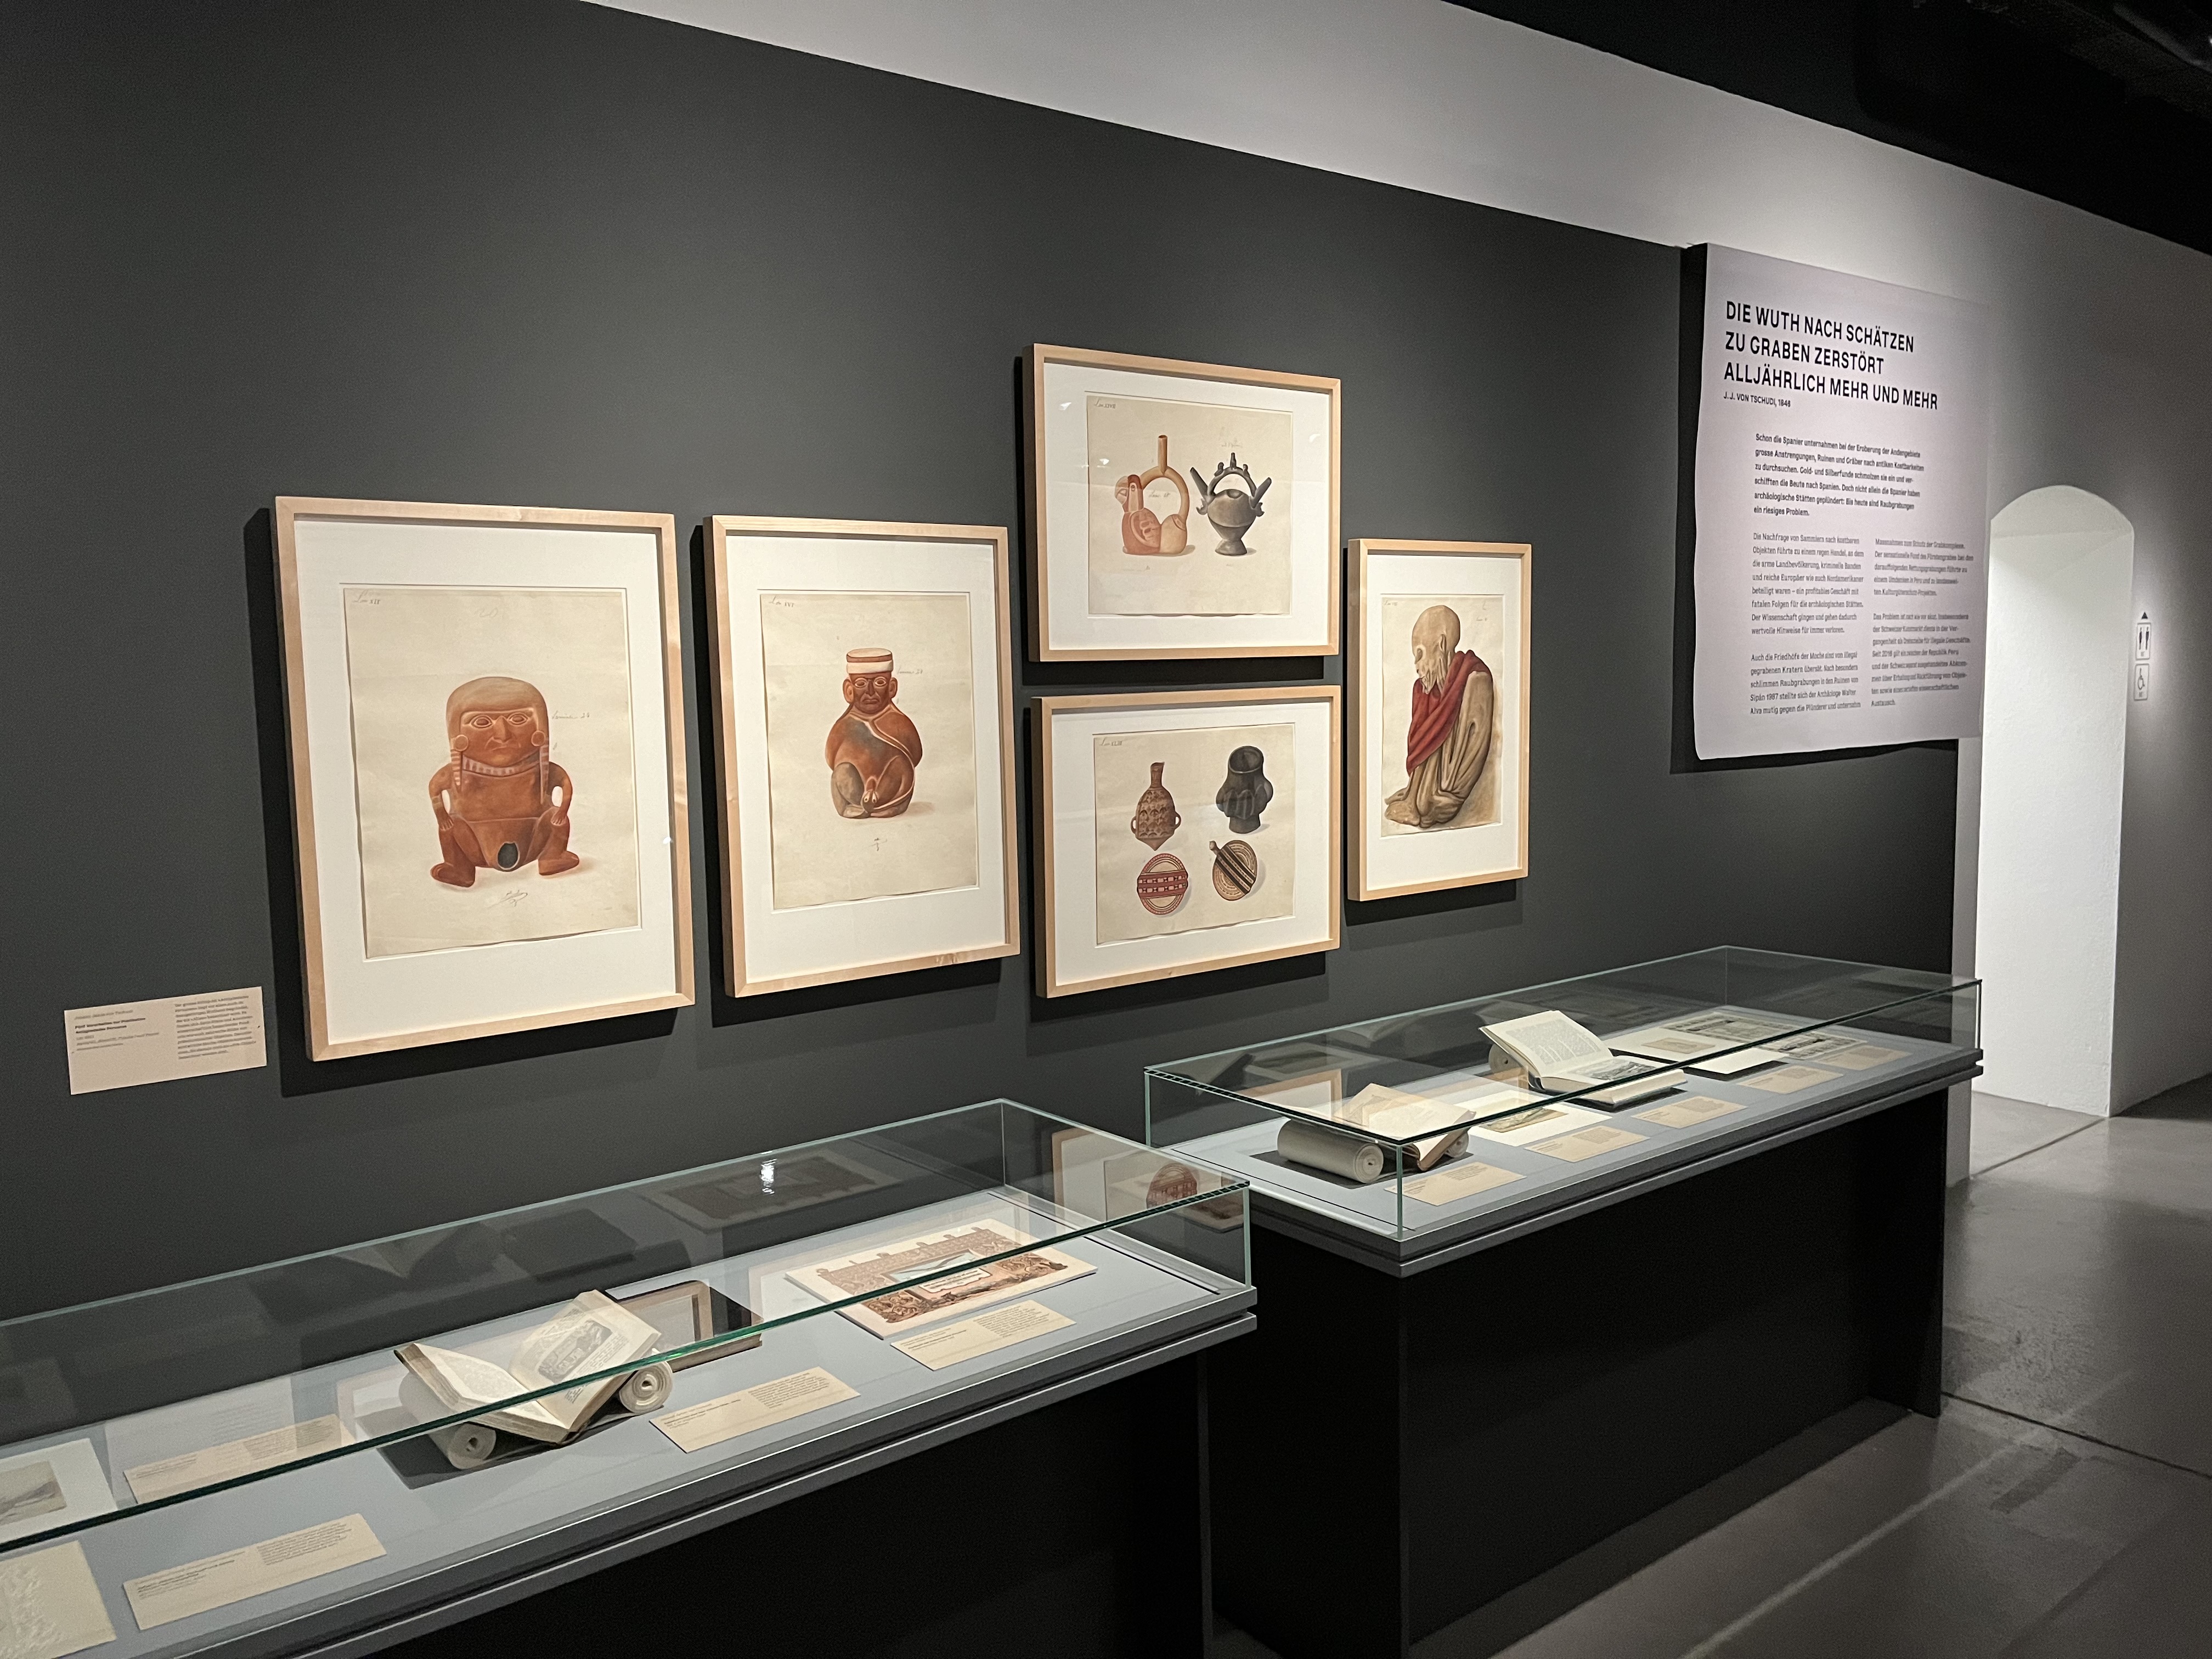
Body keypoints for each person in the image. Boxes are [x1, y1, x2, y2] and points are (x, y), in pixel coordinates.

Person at [428, 675, 578, 885]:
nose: (502, 734)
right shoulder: (457, 773)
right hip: (472, 841)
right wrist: (442, 815)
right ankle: (459, 867)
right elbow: (436, 788)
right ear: (458, 733)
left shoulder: (540, 770)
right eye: (482, 722)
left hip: (535, 838)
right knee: (453, 826)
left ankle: (552, 857)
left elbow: (564, 784)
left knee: (553, 818)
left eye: (518, 719)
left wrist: (562, 811)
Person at [1385, 605, 1494, 830]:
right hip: (1431, 797)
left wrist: (1438, 796)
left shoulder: (1476, 681)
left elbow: (1471, 754)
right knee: (1421, 803)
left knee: (1425, 805)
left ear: (1442, 644)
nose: (1416, 666)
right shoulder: (1427, 692)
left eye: (1420, 654)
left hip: (1448, 794)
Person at [825, 647, 922, 818]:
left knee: (901, 764)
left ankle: (884, 804)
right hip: (856, 793)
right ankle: (851, 806)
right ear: (849, 690)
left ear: (892, 688)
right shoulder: (844, 726)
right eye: (861, 684)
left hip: (889, 793)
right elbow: (832, 760)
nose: (870, 692)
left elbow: (915, 756)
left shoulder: (900, 722)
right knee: (842, 771)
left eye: (879, 683)